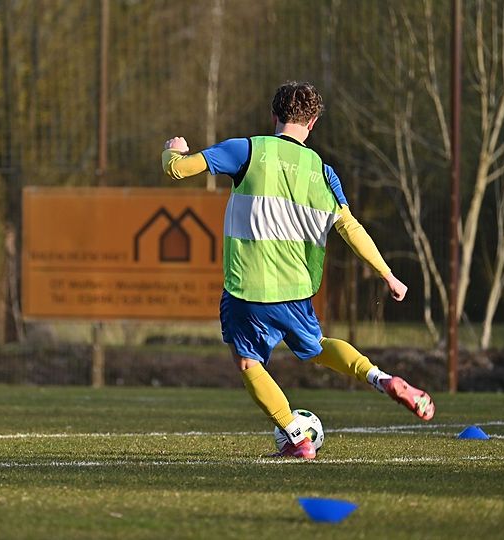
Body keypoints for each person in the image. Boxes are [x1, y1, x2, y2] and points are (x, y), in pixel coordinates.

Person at [160, 81, 434, 460]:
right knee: (318, 347)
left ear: (274, 115)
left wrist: (173, 150)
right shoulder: (323, 172)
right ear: (313, 122)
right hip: (296, 290)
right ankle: (380, 377)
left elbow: (178, 170)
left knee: (248, 361)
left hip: (248, 287)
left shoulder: (248, 150)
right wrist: (388, 275)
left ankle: (296, 436)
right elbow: (350, 228)